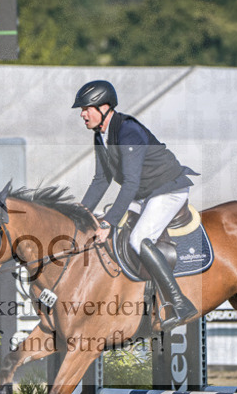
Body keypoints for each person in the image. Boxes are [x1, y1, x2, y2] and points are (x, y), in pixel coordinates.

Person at [73, 79, 199, 330]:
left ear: (105, 107)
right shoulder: (101, 136)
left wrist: (107, 223)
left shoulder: (128, 131)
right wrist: (79, 214)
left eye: (87, 108)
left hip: (167, 189)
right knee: (110, 225)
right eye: (82, 109)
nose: (82, 114)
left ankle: (180, 302)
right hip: (145, 194)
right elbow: (101, 180)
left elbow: (129, 184)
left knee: (138, 238)